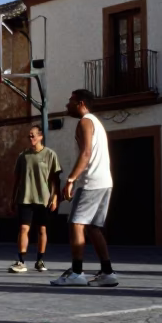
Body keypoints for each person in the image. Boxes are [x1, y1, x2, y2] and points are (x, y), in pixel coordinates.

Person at [51, 89, 118, 288]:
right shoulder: (96, 122)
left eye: (70, 101)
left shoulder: (85, 122)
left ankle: (77, 273)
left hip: (91, 182)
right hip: (105, 182)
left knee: (76, 224)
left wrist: (71, 179)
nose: (66, 105)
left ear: (81, 103)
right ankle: (107, 273)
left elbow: (86, 152)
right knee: (93, 227)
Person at [8, 125, 62, 273]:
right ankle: (21, 261)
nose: (31, 138)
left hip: (43, 199)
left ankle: (40, 260)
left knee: (42, 229)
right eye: (29, 136)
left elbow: (55, 180)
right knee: (23, 228)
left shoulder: (50, 155)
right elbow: (17, 180)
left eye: (33, 135)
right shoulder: (22, 156)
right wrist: (12, 199)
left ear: (40, 136)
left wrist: (55, 197)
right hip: (25, 198)